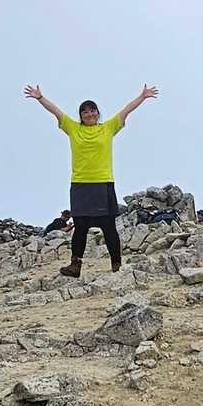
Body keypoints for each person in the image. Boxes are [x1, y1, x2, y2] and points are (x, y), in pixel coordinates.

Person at [24, 83, 159, 278]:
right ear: (81, 116)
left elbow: (126, 110)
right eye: (85, 111)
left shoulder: (108, 128)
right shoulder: (73, 128)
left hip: (103, 184)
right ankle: (75, 266)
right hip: (80, 185)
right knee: (80, 227)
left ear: (97, 113)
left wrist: (143, 96)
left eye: (93, 110)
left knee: (108, 227)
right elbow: (56, 112)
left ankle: (116, 265)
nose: (89, 114)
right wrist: (40, 98)